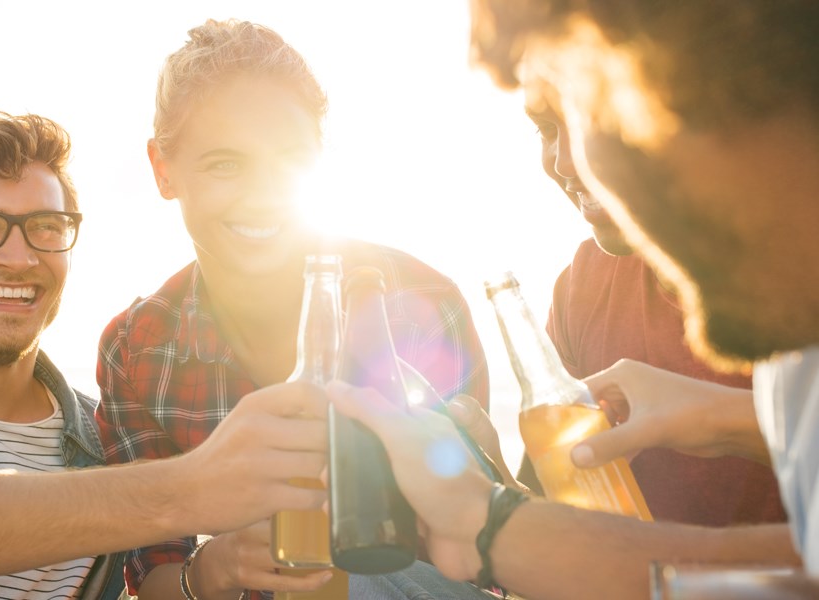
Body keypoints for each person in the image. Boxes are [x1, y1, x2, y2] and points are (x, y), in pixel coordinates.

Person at [326, 1, 819, 598]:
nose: (572, 163)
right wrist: (493, 500)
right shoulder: (594, 288)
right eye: (545, 126)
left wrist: (494, 531)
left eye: (602, 108)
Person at [93, 19, 490, 600]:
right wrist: (217, 567)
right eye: (224, 163)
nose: (262, 193)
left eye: (290, 158)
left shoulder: (421, 304)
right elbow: (152, 575)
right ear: (162, 170)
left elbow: (485, 558)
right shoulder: (140, 348)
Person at [0, 112, 328, 598]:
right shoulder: (146, 483)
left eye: (46, 226)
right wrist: (189, 487)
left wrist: (216, 568)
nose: (18, 257)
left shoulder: (102, 435)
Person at [520, 98, 785, 526]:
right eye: (547, 130)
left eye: (591, 123)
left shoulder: (796, 276)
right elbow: (556, 511)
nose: (565, 164)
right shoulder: (581, 286)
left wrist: (721, 419)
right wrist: (485, 478)